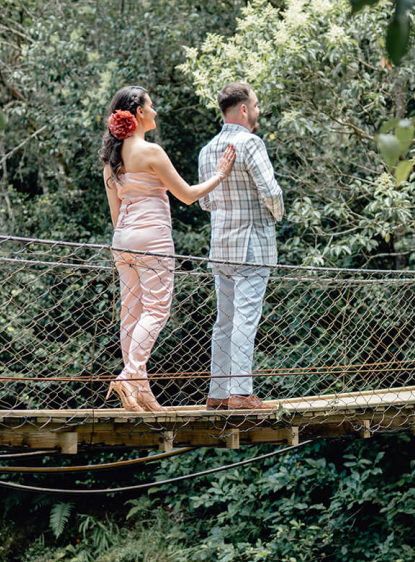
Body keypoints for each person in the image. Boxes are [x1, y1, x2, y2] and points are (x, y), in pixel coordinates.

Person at [101, 85, 235, 412]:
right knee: (157, 310)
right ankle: (130, 375)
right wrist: (219, 175)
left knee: (131, 312)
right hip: (152, 239)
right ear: (138, 113)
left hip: (123, 241)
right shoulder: (152, 152)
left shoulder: (112, 159)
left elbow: (115, 214)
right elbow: (188, 195)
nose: (156, 111)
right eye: (151, 106)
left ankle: (141, 390)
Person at [198, 82, 284, 410]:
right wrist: (274, 215)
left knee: (225, 320)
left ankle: (217, 393)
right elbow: (271, 191)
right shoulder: (250, 143)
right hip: (253, 243)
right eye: (257, 105)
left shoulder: (207, 151)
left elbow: (205, 202)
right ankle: (241, 392)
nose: (258, 111)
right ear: (244, 109)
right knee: (246, 318)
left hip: (221, 247)